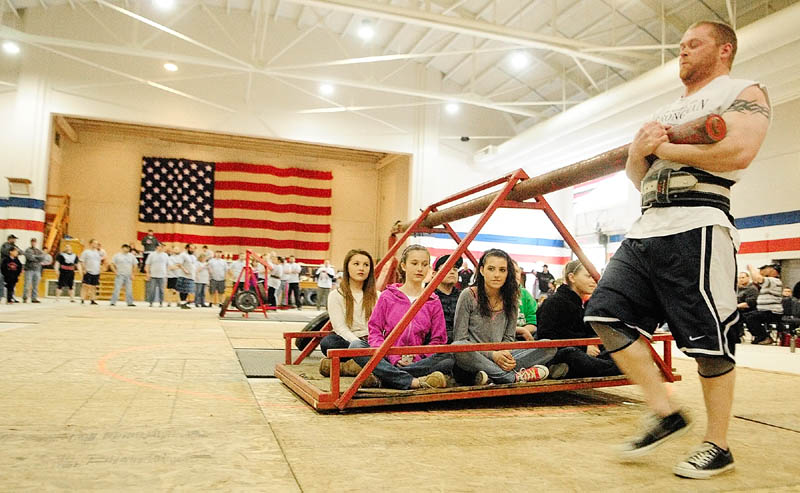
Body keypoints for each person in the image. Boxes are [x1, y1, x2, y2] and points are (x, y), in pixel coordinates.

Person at [583, 21, 771, 479]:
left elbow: (740, 150)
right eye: (681, 46)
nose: (683, 52)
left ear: (723, 49)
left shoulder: (743, 90)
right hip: (648, 224)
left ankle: (718, 444)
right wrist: (637, 153)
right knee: (604, 314)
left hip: (700, 222)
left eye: (694, 44)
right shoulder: (669, 109)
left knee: (709, 341)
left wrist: (663, 146)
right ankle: (665, 413)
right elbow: (640, 177)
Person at [349, 245, 453, 390]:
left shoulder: (433, 301)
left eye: (424, 265)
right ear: (404, 266)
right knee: (356, 346)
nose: (420, 269)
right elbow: (375, 330)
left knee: (449, 358)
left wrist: (418, 356)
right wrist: (392, 356)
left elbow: (438, 339)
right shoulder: (388, 296)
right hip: (387, 355)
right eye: (414, 263)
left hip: (419, 361)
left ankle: (384, 377)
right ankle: (412, 382)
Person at [451, 249, 560, 386]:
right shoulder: (468, 295)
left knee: (549, 346)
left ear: (508, 273)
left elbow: (509, 339)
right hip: (476, 356)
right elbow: (460, 339)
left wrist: (503, 354)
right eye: (491, 269)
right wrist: (492, 355)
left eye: (502, 270)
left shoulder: (512, 298)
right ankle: (512, 377)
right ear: (482, 271)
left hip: (503, 354)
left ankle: (493, 375)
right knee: (458, 348)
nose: (497, 275)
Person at [536, 260, 621, 379]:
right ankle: (617, 368)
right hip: (561, 353)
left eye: (595, 277)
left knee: (617, 349)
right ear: (572, 277)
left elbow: (591, 333)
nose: (594, 281)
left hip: (585, 351)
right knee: (572, 355)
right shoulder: (554, 302)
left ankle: (567, 370)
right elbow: (546, 335)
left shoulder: (584, 305)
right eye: (588, 276)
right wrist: (583, 346)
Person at [319, 249, 379, 378]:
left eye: (366, 265)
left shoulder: (378, 296)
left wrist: (372, 344)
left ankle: (353, 366)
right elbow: (340, 328)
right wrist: (357, 345)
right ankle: (367, 362)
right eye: (356, 264)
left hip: (372, 341)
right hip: (349, 341)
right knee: (328, 342)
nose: (361, 268)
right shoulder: (336, 295)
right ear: (347, 267)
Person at [743, 263, 783, 345]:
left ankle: (764, 337)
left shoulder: (774, 281)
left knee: (751, 317)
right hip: (764, 310)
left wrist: (751, 268)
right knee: (746, 316)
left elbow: (758, 279)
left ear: (774, 271)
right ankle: (760, 336)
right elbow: (756, 280)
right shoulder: (769, 281)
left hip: (772, 312)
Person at [432, 254, 462, 343]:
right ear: (434, 274)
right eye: (447, 267)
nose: (452, 271)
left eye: (455, 269)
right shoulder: (428, 298)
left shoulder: (464, 296)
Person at [513, 261, 537, 341]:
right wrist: (520, 330)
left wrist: (524, 331)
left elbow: (533, 321)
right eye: (510, 271)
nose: (514, 274)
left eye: (516, 271)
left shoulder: (525, 294)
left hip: (524, 337)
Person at [22, 238, 46, 303]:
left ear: (36, 243)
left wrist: (35, 257)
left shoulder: (38, 250)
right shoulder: (28, 250)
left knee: (36, 285)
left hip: (37, 269)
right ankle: (25, 297)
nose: (33, 243)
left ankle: (34, 298)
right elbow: (29, 257)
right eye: (32, 242)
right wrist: (37, 258)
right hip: (29, 269)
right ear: (31, 242)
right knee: (27, 284)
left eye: (34, 242)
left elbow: (42, 258)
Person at [79, 239, 102, 305]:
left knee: (93, 286)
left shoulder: (98, 253)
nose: (96, 245)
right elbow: (82, 261)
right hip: (88, 271)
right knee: (85, 285)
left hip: (96, 272)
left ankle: (92, 300)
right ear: (90, 244)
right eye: (94, 243)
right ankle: (82, 299)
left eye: (96, 243)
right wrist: (84, 269)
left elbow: (99, 262)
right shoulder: (86, 252)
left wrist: (99, 269)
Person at [173, 243, 197, 309]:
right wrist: (185, 270)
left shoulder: (193, 256)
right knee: (183, 290)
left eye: (193, 248)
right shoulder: (183, 255)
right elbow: (179, 264)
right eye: (191, 248)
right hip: (184, 275)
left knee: (187, 290)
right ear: (187, 248)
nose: (192, 250)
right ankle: (182, 303)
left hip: (191, 276)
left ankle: (184, 303)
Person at [0, 234, 19, 300]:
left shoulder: (15, 246)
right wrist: (12, 251)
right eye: (13, 239)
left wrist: (15, 251)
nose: (14, 240)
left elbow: (20, 252)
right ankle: (1, 296)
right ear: (9, 239)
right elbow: (4, 251)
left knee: (12, 282)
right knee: (1, 281)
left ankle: (11, 296)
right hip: (4, 266)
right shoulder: (5, 245)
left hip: (12, 267)